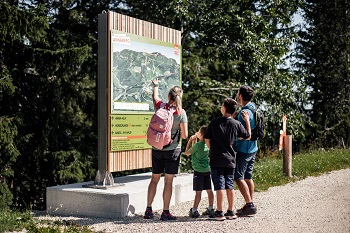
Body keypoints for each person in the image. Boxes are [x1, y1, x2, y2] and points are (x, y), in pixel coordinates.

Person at [144, 78, 188, 221]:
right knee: (168, 181)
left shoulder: (160, 106)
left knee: (154, 179)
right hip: (173, 150)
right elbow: (185, 134)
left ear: (168, 96)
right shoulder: (181, 113)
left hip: (157, 147)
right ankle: (165, 212)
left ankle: (148, 210)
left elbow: (155, 97)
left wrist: (156, 85)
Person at [204, 98, 251, 221]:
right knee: (230, 185)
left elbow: (207, 139)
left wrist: (211, 150)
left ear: (223, 108)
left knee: (219, 185)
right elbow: (247, 136)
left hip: (216, 159)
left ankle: (219, 213)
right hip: (231, 160)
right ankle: (230, 211)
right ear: (234, 111)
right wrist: (247, 121)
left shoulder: (214, 123)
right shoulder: (236, 124)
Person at [234, 85, 258, 216]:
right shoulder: (254, 108)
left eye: (238, 93)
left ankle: (249, 204)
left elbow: (243, 134)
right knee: (248, 177)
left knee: (238, 177)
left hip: (244, 148)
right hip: (253, 147)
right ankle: (250, 203)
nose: (237, 96)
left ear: (241, 96)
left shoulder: (244, 113)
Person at [185, 126, 215, 218]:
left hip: (198, 171)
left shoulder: (197, 145)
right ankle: (211, 208)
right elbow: (195, 150)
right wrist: (195, 141)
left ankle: (194, 210)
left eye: (198, 132)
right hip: (206, 170)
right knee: (209, 190)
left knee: (198, 192)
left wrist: (190, 140)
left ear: (201, 135)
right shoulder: (207, 144)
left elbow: (187, 153)